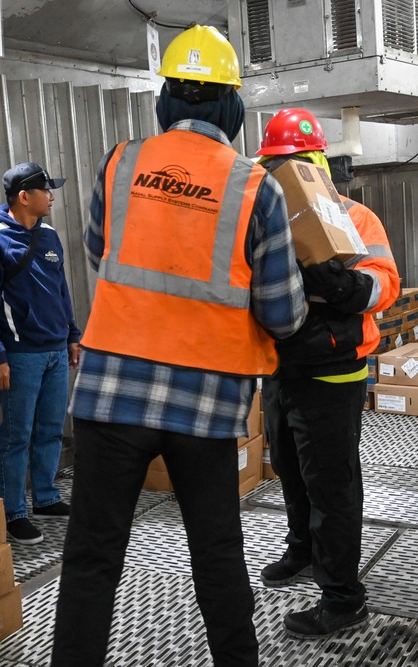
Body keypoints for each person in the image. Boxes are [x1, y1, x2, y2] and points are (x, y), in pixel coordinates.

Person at [50, 26, 307, 667]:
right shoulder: (256, 187)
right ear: (232, 107)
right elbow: (282, 313)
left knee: (91, 559)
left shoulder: (120, 162)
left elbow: (98, 252)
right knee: (217, 556)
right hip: (206, 404)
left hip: (110, 398)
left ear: (166, 99)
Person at [254, 108, 400, 638]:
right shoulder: (264, 221)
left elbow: (386, 283)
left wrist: (345, 288)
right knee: (291, 472)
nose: (282, 175)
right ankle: (302, 552)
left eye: (291, 163)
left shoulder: (355, 218)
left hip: (334, 371)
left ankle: (343, 597)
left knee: (332, 486)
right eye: (275, 164)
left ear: (314, 164)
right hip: (279, 368)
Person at [0, 162, 81, 546]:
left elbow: (60, 290)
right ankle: (14, 511)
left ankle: (46, 497)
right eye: (46, 190)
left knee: (50, 429)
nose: (52, 197)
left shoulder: (48, 236)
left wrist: (72, 335)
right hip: (18, 356)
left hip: (54, 352)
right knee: (17, 435)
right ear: (23, 196)